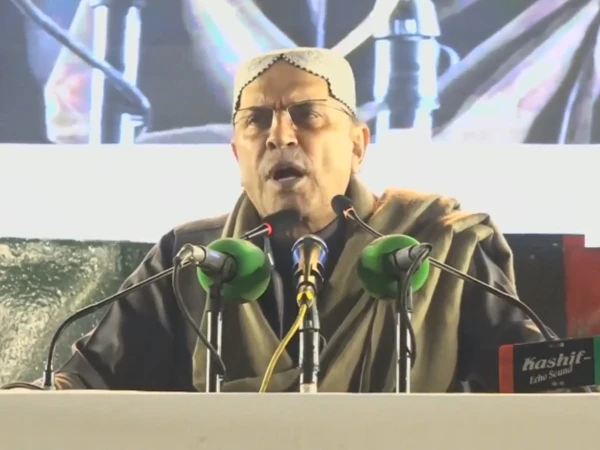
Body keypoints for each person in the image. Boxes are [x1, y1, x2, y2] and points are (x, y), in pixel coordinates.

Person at [27, 47, 545, 392]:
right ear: (238, 155)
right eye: (256, 121)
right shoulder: (189, 258)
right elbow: (87, 383)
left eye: (307, 115)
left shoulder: (437, 242)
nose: (280, 136)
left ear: (358, 146)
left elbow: (529, 379)